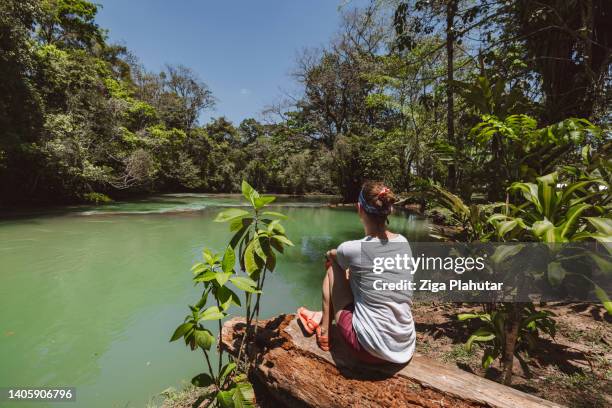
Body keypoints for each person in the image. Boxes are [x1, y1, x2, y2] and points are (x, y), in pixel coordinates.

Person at [298, 181, 416, 364]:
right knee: (356, 275)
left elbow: (331, 255)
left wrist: (333, 257)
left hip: (369, 349)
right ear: (389, 210)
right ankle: (322, 317)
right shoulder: (403, 242)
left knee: (333, 266)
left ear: (359, 208)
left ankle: (324, 331)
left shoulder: (351, 249)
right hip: (404, 346)